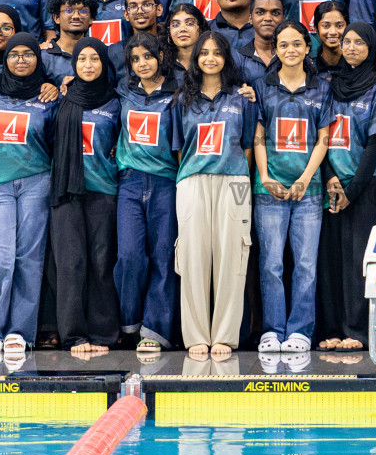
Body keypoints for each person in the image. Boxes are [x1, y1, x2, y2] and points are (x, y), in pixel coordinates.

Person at [173, 30, 258, 360]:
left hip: (235, 180)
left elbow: (249, 144)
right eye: (203, 52)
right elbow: (179, 147)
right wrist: (195, 172)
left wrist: (237, 174)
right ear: (195, 59)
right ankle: (195, 334)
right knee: (193, 257)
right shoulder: (183, 99)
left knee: (232, 257)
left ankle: (224, 334)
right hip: (192, 180)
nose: (210, 58)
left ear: (227, 58)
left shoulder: (243, 97)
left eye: (217, 52)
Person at [253, 20, 335, 356]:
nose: (290, 50)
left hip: (309, 192)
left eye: (296, 44)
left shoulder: (321, 89)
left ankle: (301, 330)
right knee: (271, 263)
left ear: (307, 47)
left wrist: (305, 178)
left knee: (305, 264)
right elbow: (258, 136)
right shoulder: (263, 86)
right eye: (283, 44)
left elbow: (324, 139)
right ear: (276, 49)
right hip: (268, 190)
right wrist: (265, 175)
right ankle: (273, 329)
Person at [0, 32, 55, 359]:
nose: (21, 60)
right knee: (1, 258)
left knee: (28, 258)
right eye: (14, 54)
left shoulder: (48, 96)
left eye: (28, 54)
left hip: (37, 181)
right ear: (5, 58)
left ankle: (20, 331)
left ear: (38, 58)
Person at [317, 23, 376, 351]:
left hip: (364, 188)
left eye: (359, 42)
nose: (351, 47)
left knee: (359, 262)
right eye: (347, 42)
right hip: (330, 185)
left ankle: (358, 332)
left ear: (371, 47)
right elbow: (318, 136)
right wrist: (330, 176)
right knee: (330, 262)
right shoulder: (327, 86)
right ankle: (332, 330)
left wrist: (352, 191)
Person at [50, 37, 121, 356]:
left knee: (101, 262)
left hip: (103, 190)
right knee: (70, 264)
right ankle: (74, 335)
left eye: (95, 59)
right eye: (82, 60)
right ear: (74, 64)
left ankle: (104, 332)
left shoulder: (115, 101)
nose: (88, 65)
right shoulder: (61, 98)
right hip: (66, 193)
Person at [115, 32, 180, 353]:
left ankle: (155, 330)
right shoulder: (124, 92)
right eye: (135, 59)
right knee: (129, 256)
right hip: (129, 183)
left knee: (163, 258)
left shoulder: (177, 94)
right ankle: (129, 323)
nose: (142, 63)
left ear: (161, 58)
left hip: (166, 183)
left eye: (148, 57)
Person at [237, 0, 285, 82]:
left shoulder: (294, 56)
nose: (268, 18)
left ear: (283, 19)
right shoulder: (238, 59)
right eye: (260, 12)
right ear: (250, 18)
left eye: (275, 13)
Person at [166, 3, 209, 85]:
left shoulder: (212, 59)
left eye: (190, 23)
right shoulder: (160, 63)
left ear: (200, 28)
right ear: (169, 32)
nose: (182, 29)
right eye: (175, 25)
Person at [310, 1, 349, 75]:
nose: (333, 32)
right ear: (316, 29)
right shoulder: (309, 68)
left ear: (347, 27)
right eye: (326, 26)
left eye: (339, 26)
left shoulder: (355, 64)